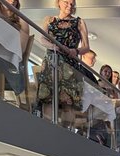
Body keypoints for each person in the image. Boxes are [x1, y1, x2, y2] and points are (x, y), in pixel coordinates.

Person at [36, 0, 90, 128]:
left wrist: (75, 51)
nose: (69, 6)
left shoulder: (79, 22)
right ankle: (47, 129)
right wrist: (55, 46)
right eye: (66, 2)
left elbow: (86, 47)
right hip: (52, 62)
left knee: (68, 101)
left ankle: (66, 131)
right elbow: (42, 38)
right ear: (59, 3)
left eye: (72, 3)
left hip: (69, 65)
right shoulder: (49, 20)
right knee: (48, 98)